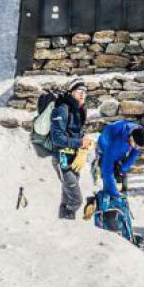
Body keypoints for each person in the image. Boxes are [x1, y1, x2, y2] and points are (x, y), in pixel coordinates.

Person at [49, 79, 88, 219]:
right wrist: (80, 143)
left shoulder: (79, 110)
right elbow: (57, 138)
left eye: (85, 92)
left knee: (67, 198)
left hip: (74, 158)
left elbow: (78, 133)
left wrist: (84, 148)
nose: (83, 94)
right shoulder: (62, 109)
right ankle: (66, 222)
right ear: (71, 92)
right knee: (76, 199)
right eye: (79, 91)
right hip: (61, 159)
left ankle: (64, 227)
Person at [95, 120, 144, 200]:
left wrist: (124, 168)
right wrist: (115, 193)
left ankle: (122, 192)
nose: (135, 147)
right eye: (135, 145)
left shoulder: (139, 131)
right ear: (131, 137)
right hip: (105, 148)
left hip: (121, 149)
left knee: (120, 174)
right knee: (109, 176)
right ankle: (109, 197)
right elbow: (107, 170)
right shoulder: (116, 140)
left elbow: (135, 152)